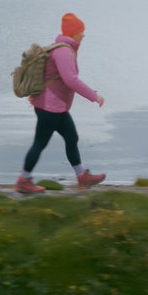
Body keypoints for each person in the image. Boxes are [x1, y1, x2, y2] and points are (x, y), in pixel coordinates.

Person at [16, 12, 106, 194]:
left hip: (54, 106)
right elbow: (70, 80)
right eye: (81, 31)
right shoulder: (64, 51)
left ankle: (82, 177)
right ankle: (24, 181)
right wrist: (94, 96)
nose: (83, 35)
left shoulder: (61, 48)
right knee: (40, 143)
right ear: (74, 33)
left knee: (71, 138)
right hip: (50, 107)